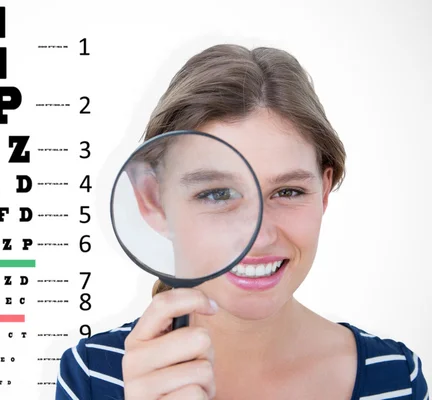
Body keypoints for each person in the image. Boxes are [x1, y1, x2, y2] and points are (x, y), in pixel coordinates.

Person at [54, 44, 429, 399]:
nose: (260, 237)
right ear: (154, 201)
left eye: (288, 192)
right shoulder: (93, 375)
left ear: (325, 190)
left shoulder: (395, 377)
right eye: (217, 194)